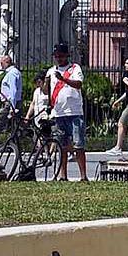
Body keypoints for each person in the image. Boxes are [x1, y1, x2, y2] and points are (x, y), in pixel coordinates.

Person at [45, 44, 89, 181]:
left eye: (61, 56)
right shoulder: (51, 71)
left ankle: (83, 176)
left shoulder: (75, 68)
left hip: (74, 112)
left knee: (78, 145)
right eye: (56, 56)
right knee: (62, 146)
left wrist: (63, 79)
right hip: (59, 113)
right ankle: (63, 175)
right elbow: (48, 91)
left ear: (67, 56)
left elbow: (78, 84)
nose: (59, 59)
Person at [0, 53, 23, 122]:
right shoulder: (12, 72)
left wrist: (12, 107)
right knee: (13, 124)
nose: (0, 65)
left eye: (1, 63)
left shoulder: (12, 73)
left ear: (7, 62)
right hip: (11, 102)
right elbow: (5, 92)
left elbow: (13, 91)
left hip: (9, 103)